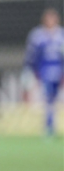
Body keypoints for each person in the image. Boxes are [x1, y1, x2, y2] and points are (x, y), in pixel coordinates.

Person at [24, 8, 64, 137]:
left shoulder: (61, 36)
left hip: (60, 73)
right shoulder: (37, 36)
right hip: (45, 74)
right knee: (49, 101)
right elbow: (31, 57)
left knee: (56, 101)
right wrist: (30, 72)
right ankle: (49, 128)